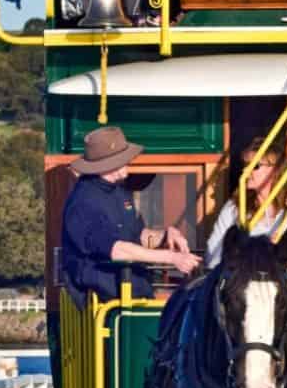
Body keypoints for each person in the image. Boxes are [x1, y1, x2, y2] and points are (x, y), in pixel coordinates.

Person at [60, 126, 201, 305]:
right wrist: (172, 258)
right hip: (104, 302)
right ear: (106, 165)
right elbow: (117, 250)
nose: (128, 165)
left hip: (136, 291)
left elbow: (137, 234)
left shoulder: (120, 191)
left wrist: (166, 234)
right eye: (122, 161)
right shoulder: (82, 202)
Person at [205, 137, 287, 268]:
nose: (245, 170)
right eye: (245, 165)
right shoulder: (235, 208)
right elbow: (212, 254)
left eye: (255, 166)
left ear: (275, 171)